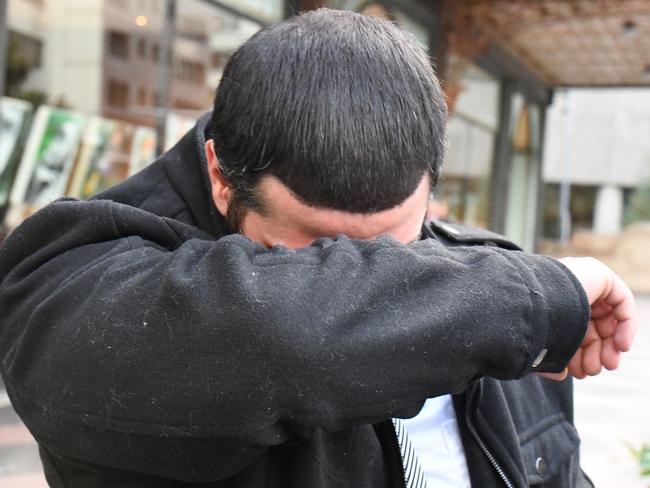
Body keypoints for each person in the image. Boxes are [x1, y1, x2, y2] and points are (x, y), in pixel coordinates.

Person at [0, 9, 637, 488]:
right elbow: (278, 337)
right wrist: (538, 296)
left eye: (397, 243)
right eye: (314, 251)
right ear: (223, 176)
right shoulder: (75, 276)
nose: (371, 272)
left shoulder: (496, 294)